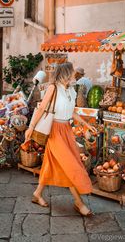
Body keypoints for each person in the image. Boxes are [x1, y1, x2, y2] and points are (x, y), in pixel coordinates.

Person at [25, 62, 96, 217]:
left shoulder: (70, 90)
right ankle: (78, 202)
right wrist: (30, 128)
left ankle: (37, 194)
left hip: (66, 131)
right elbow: (42, 108)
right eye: (71, 72)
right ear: (65, 74)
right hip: (55, 131)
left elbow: (72, 112)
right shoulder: (53, 88)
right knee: (70, 165)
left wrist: (86, 125)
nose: (74, 74)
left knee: (51, 163)